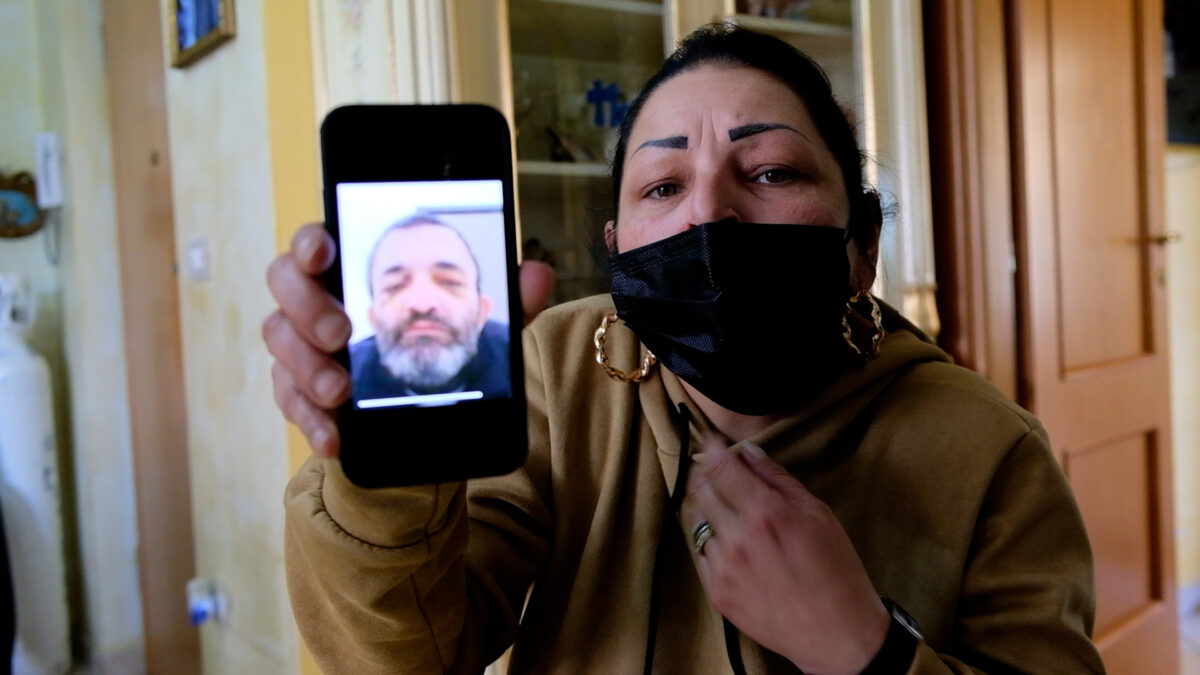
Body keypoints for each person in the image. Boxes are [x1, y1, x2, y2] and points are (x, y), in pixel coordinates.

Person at [264, 23, 1104, 674]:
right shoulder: (555, 370)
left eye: (771, 171)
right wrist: (389, 474)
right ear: (617, 251)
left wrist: (865, 649)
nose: (707, 213)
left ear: (863, 247)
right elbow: (408, 653)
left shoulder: (991, 452)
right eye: (663, 185)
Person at [349, 216, 510, 400]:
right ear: (374, 319)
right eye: (395, 285)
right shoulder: (345, 379)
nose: (422, 304)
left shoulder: (524, 360)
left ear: (482, 312)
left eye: (449, 281)